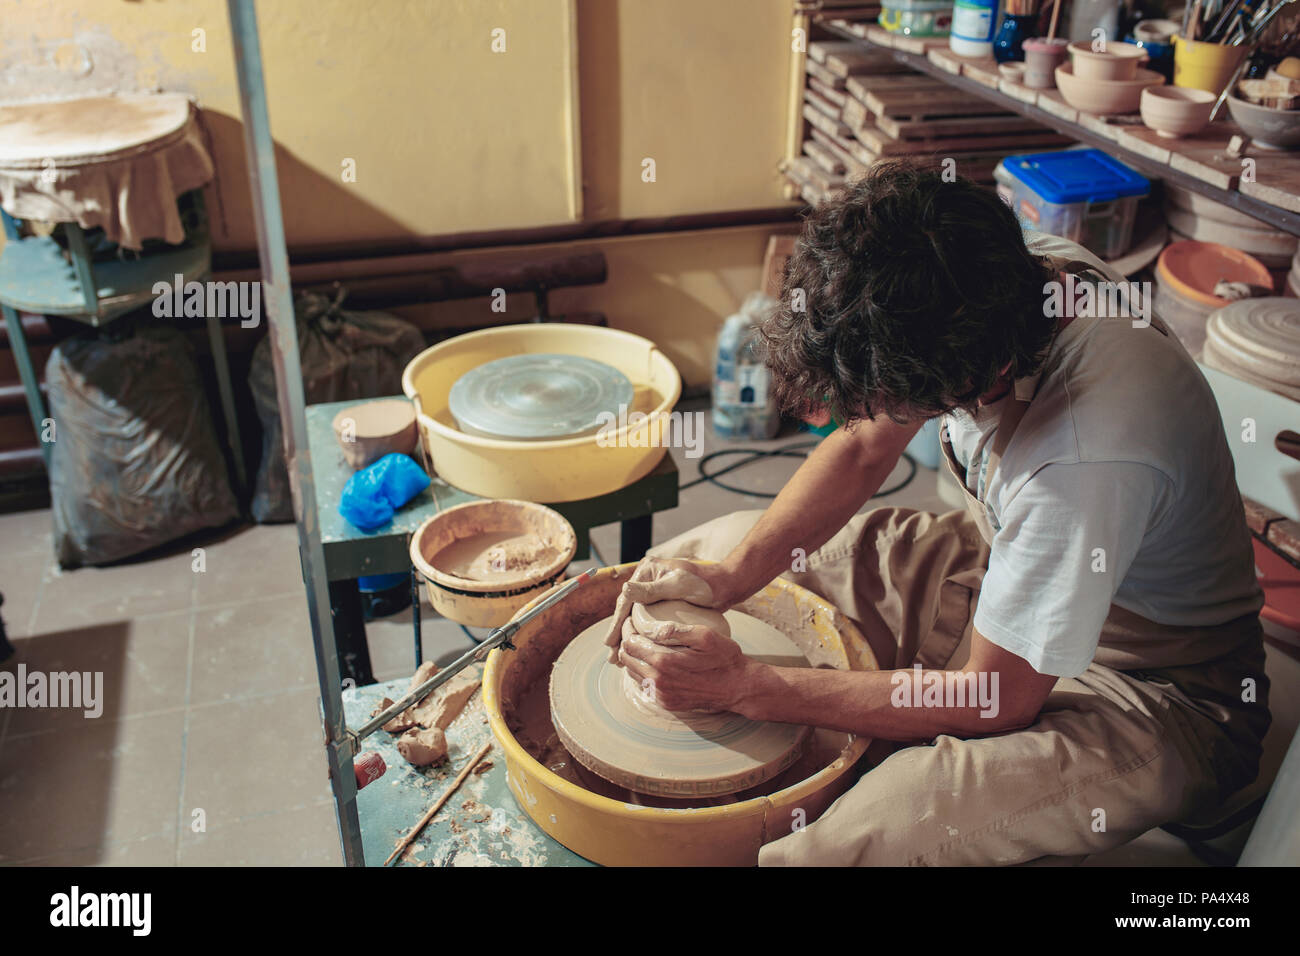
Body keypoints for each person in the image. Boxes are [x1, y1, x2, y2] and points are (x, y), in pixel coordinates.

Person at [603, 162, 1271, 866]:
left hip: (1155, 689)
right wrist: (730, 578)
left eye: (888, 401)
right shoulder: (1004, 279)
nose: (858, 419)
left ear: (961, 384)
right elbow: (863, 451)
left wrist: (748, 690)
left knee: (835, 849)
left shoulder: (1083, 452)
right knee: (702, 555)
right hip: (1011, 563)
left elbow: (999, 694)